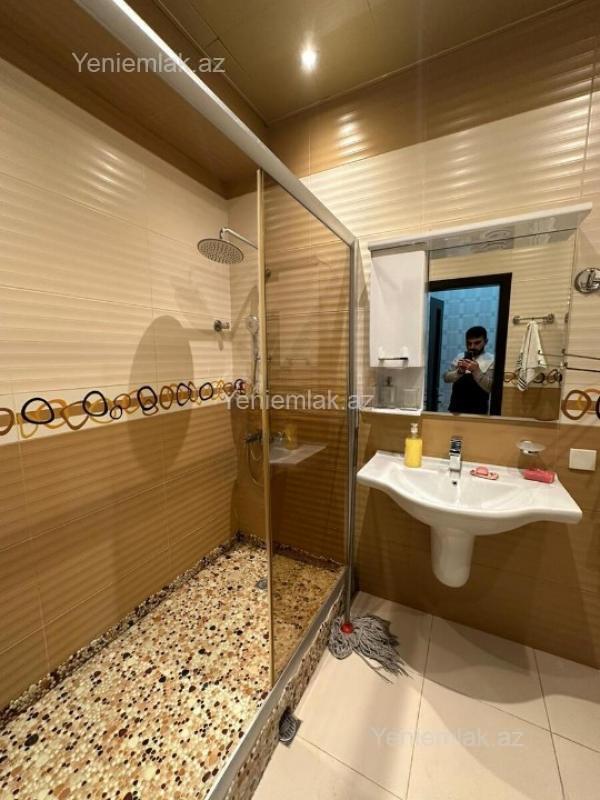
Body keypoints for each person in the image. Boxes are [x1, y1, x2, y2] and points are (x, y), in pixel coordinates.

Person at [443, 325, 495, 415]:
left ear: (486, 342)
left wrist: (476, 371)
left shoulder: (491, 360)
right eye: (469, 343)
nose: (472, 347)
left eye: (477, 343)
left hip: (479, 411)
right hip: (456, 409)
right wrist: (459, 372)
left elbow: (490, 387)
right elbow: (446, 378)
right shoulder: (460, 356)